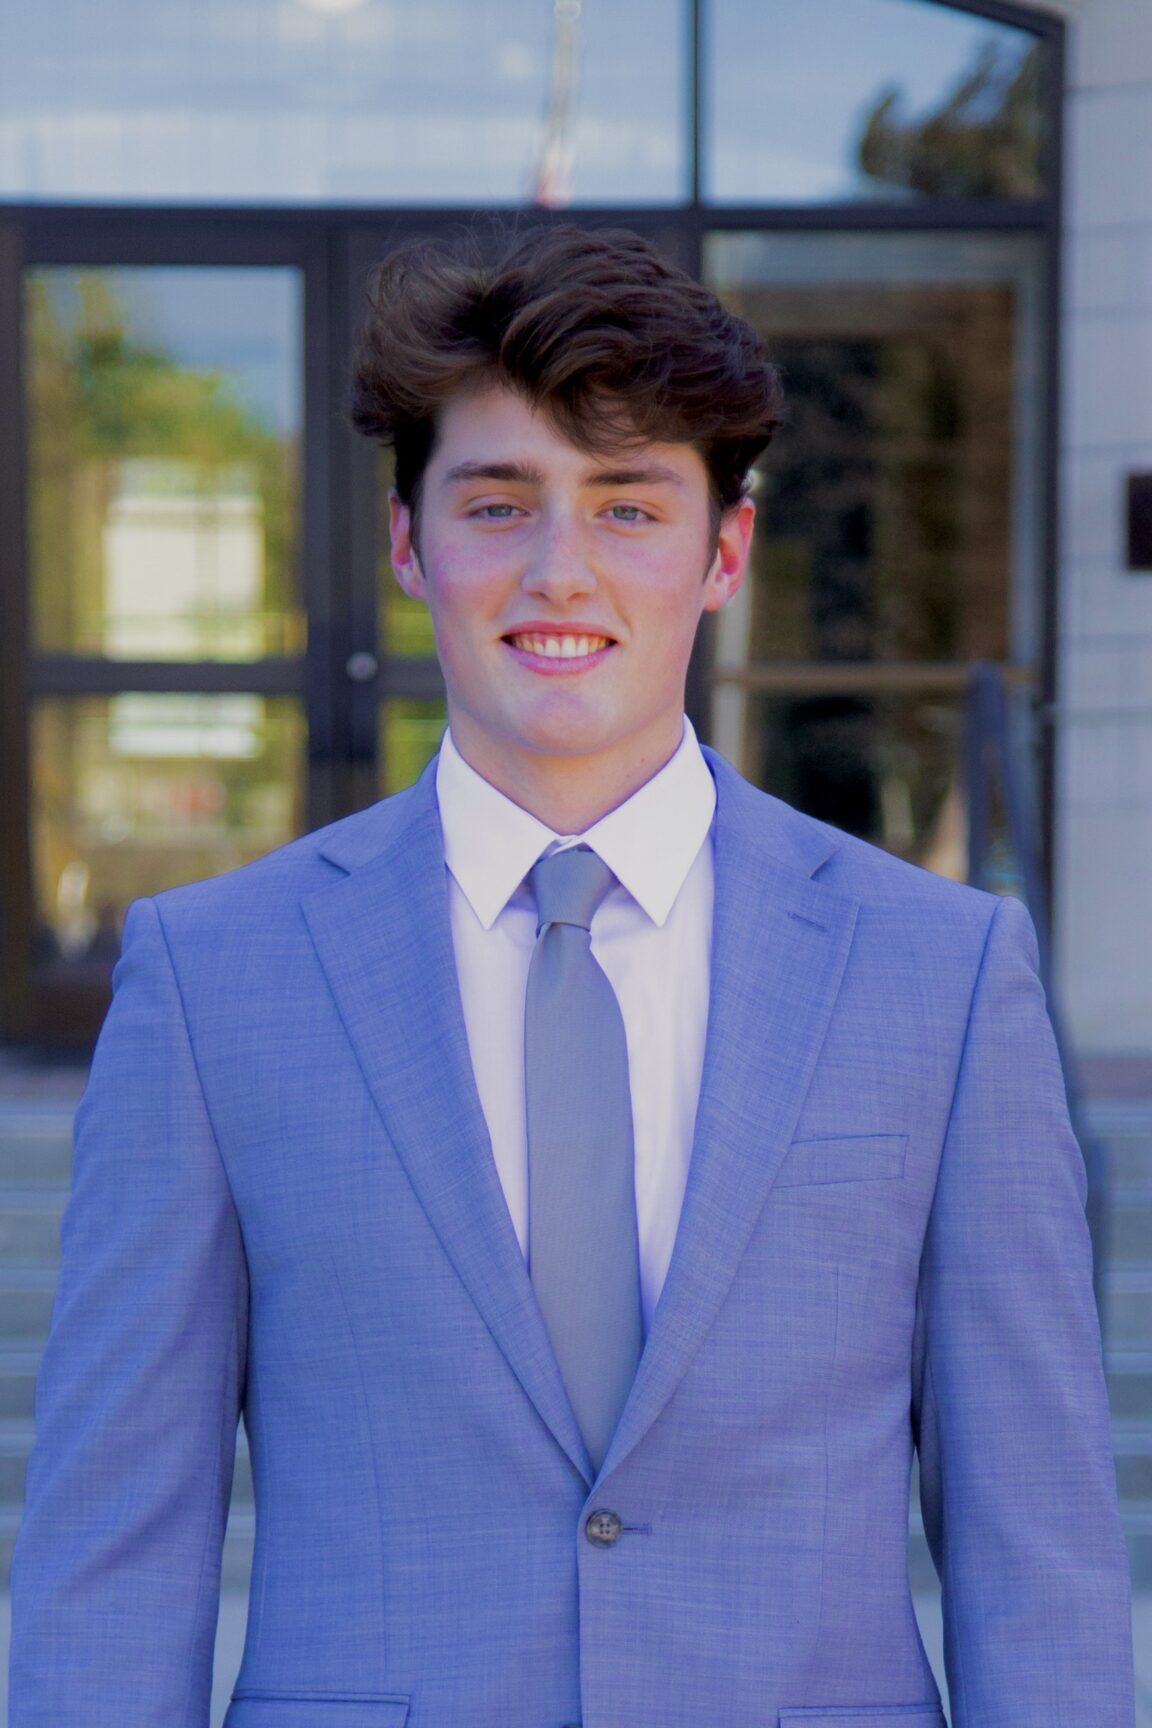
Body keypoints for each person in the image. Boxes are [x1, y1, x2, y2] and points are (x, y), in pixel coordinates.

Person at [8, 225, 1134, 1728]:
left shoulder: (941, 974)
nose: (560, 570)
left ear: (724, 550)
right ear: (408, 544)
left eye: (628, 506)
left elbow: (1037, 1551)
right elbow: (113, 1555)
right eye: (497, 502)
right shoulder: (213, 983)